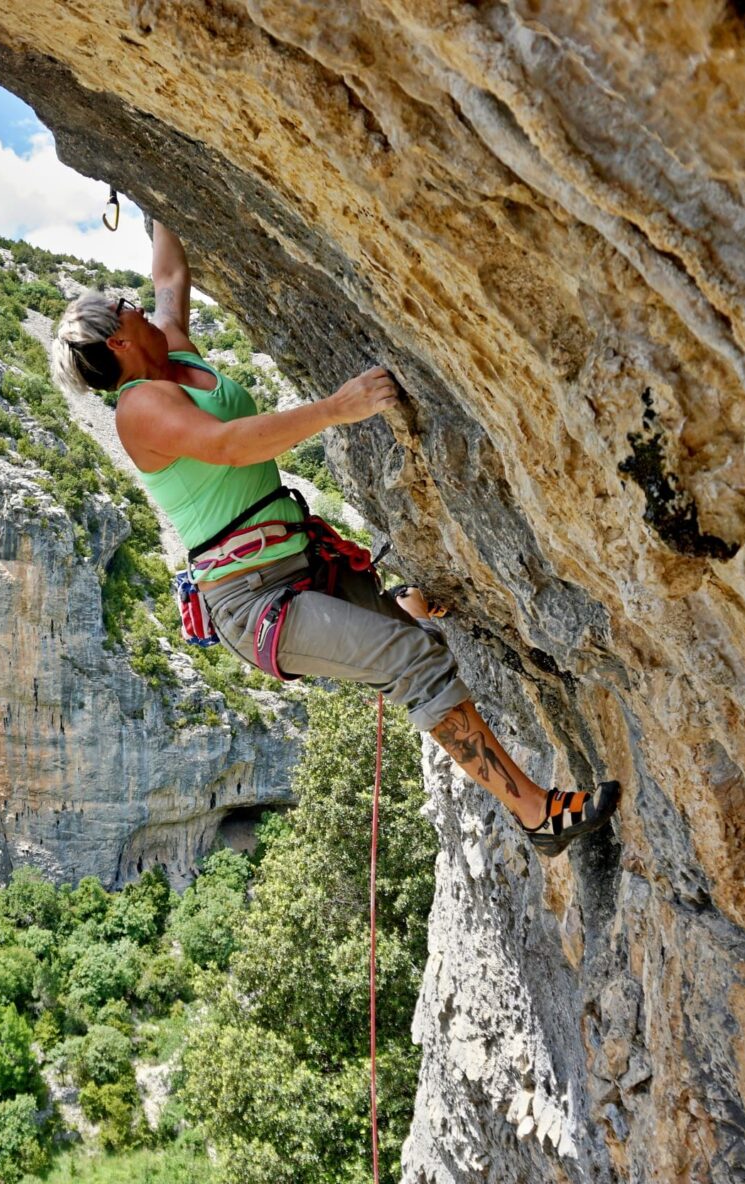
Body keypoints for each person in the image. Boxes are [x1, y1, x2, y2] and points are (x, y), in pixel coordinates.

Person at [48, 220, 619, 857]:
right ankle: (537, 816)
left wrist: (154, 204)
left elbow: (170, 277)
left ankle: (403, 606)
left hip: (295, 562)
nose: (138, 303)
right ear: (119, 337)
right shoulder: (139, 408)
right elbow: (231, 447)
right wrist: (335, 409)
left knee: (415, 637)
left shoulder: (174, 349)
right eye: (126, 307)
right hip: (254, 600)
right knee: (412, 661)